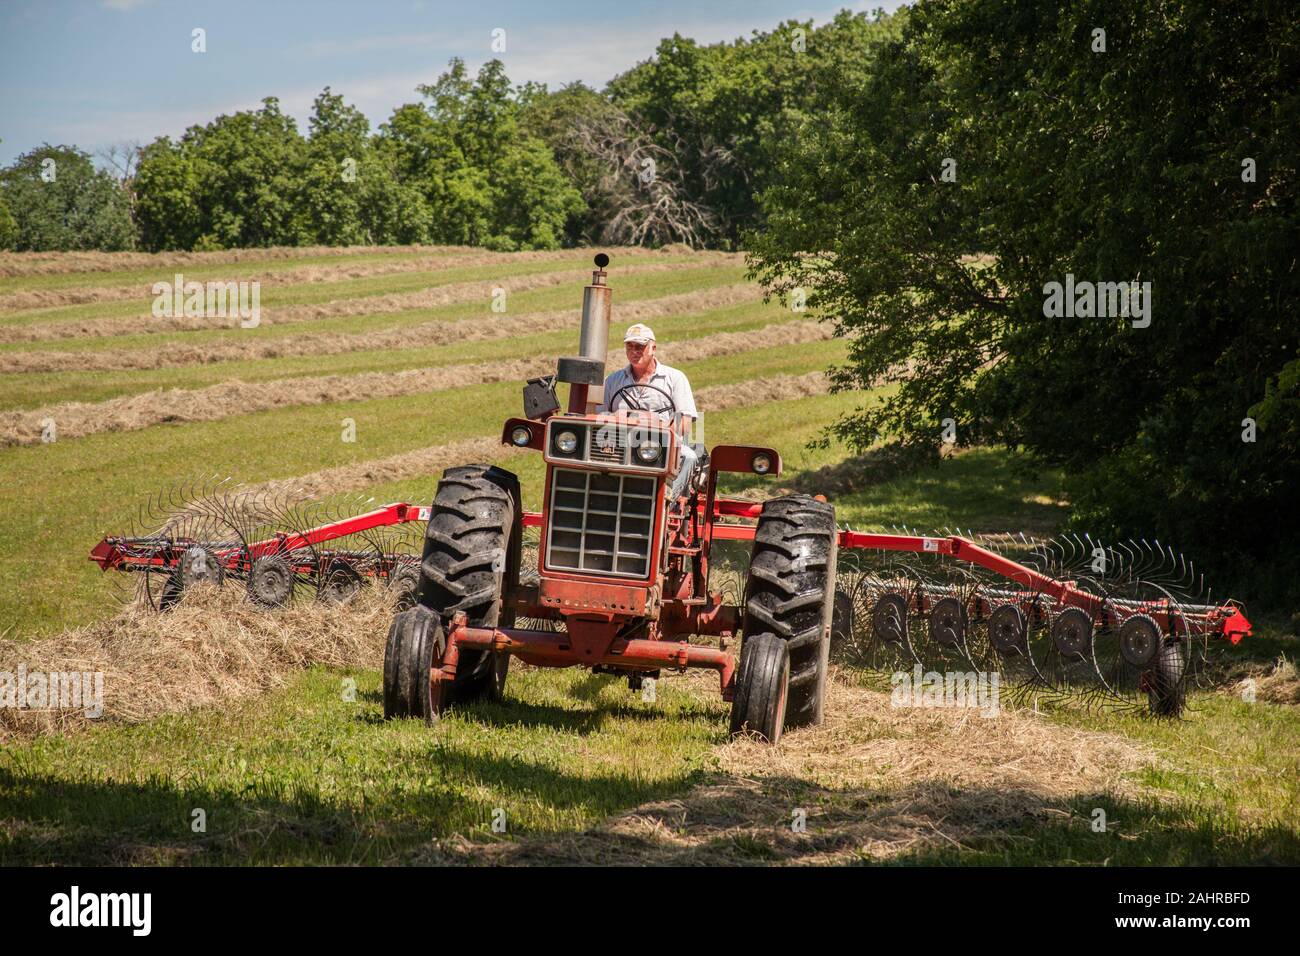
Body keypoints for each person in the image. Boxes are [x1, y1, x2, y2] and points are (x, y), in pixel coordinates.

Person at [598, 323, 701, 502]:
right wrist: (615, 420)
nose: (634, 351)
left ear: (653, 348)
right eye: (629, 346)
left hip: (659, 445)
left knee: (689, 456)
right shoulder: (613, 380)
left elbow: (684, 421)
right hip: (620, 444)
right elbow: (599, 417)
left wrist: (658, 428)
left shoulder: (674, 378)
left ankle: (666, 502)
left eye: (640, 346)